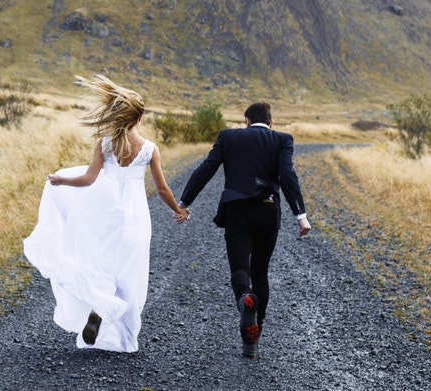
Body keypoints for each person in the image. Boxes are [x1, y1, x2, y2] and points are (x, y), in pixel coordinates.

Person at [23, 75, 190, 352]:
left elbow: (89, 179)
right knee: (130, 271)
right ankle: (121, 334)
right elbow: (161, 189)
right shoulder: (149, 149)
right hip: (135, 216)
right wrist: (178, 209)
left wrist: (62, 181)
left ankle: (100, 307)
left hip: (106, 211)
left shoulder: (104, 143)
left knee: (104, 265)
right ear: (139, 118)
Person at [177, 101, 311, 358]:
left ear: (246, 121)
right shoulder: (282, 139)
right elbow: (287, 175)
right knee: (260, 273)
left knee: (240, 269)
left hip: (237, 212)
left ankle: (243, 300)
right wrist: (300, 216)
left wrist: (183, 202)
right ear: (271, 124)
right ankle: (252, 341)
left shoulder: (229, 137)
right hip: (267, 211)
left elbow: (207, 169)